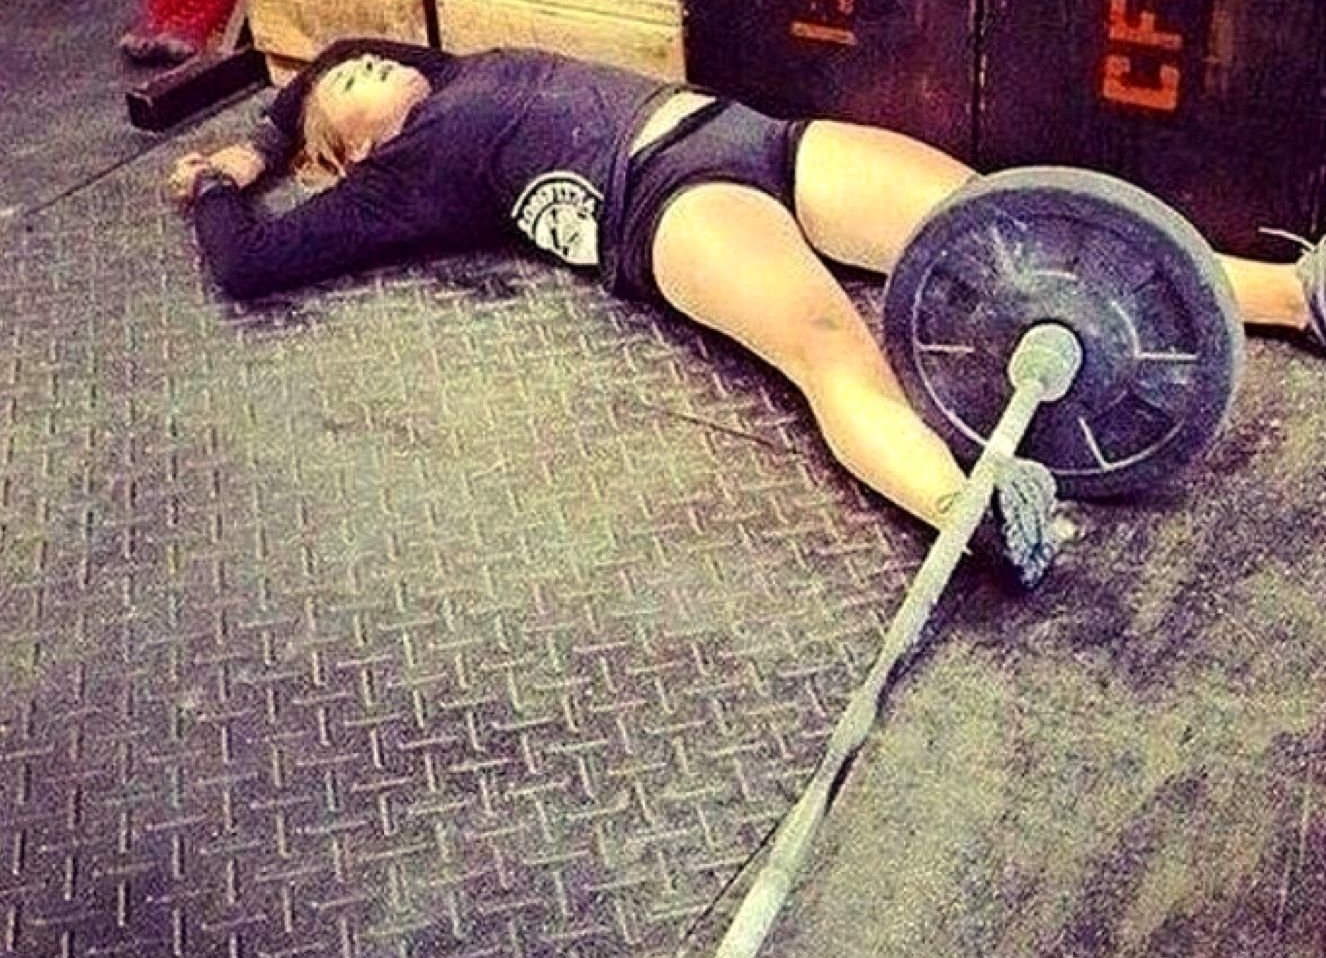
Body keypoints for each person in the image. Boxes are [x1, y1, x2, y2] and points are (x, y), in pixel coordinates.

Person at [171, 38, 1326, 585]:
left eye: (365, 66)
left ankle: (1296, 295)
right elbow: (251, 265)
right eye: (346, 89)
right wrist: (227, 181)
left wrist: (265, 129)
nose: (365, 68)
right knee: (830, 344)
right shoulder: (398, 180)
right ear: (343, 150)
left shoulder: (454, 67)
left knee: (997, 218)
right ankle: (969, 506)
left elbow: (329, 53)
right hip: (667, 204)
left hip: (753, 133)